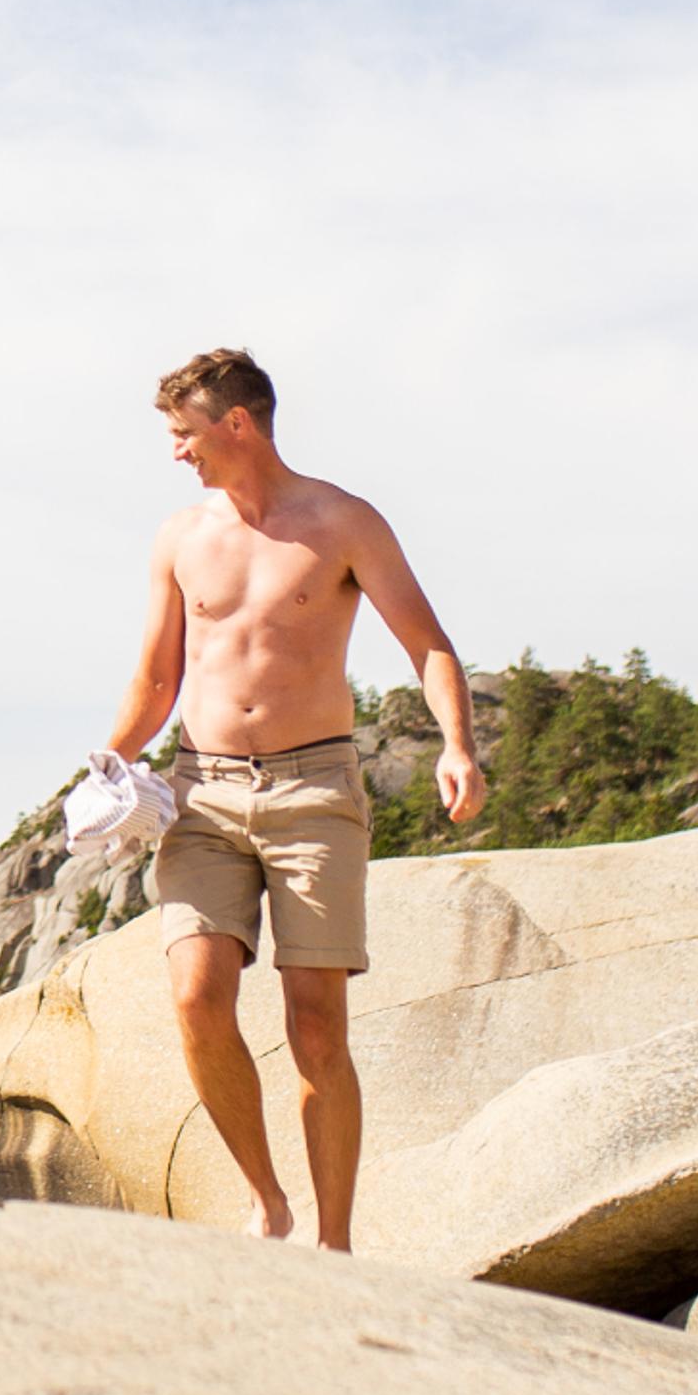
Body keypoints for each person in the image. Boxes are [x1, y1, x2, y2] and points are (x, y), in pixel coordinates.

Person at [97, 350, 485, 1251]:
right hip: (203, 791)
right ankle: (267, 1201)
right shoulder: (180, 537)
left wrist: (458, 745)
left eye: (185, 433)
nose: (176, 452)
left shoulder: (342, 522)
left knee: (316, 1023)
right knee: (197, 997)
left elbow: (428, 645)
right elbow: (157, 676)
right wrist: (107, 762)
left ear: (238, 424)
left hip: (315, 789)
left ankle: (335, 1242)